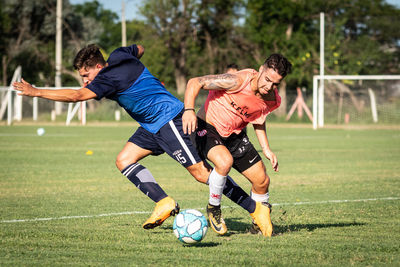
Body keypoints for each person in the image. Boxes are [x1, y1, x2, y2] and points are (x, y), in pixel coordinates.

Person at [13, 44, 270, 236]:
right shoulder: (120, 54)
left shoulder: (107, 78)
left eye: (85, 73)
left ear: (98, 67)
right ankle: (164, 201)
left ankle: (255, 208)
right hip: (150, 126)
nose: (85, 79)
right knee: (124, 160)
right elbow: (140, 48)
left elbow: (76, 96)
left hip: (171, 121)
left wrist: (36, 92)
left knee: (203, 175)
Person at [183, 54, 292, 237]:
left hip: (235, 135)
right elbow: (195, 82)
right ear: (260, 69)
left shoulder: (272, 99)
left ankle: (258, 224)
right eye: (267, 80)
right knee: (224, 162)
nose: (269, 87)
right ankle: (214, 208)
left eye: (275, 84)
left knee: (262, 180)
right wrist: (188, 110)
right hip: (207, 127)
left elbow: (258, 117)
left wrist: (266, 148)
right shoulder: (236, 81)